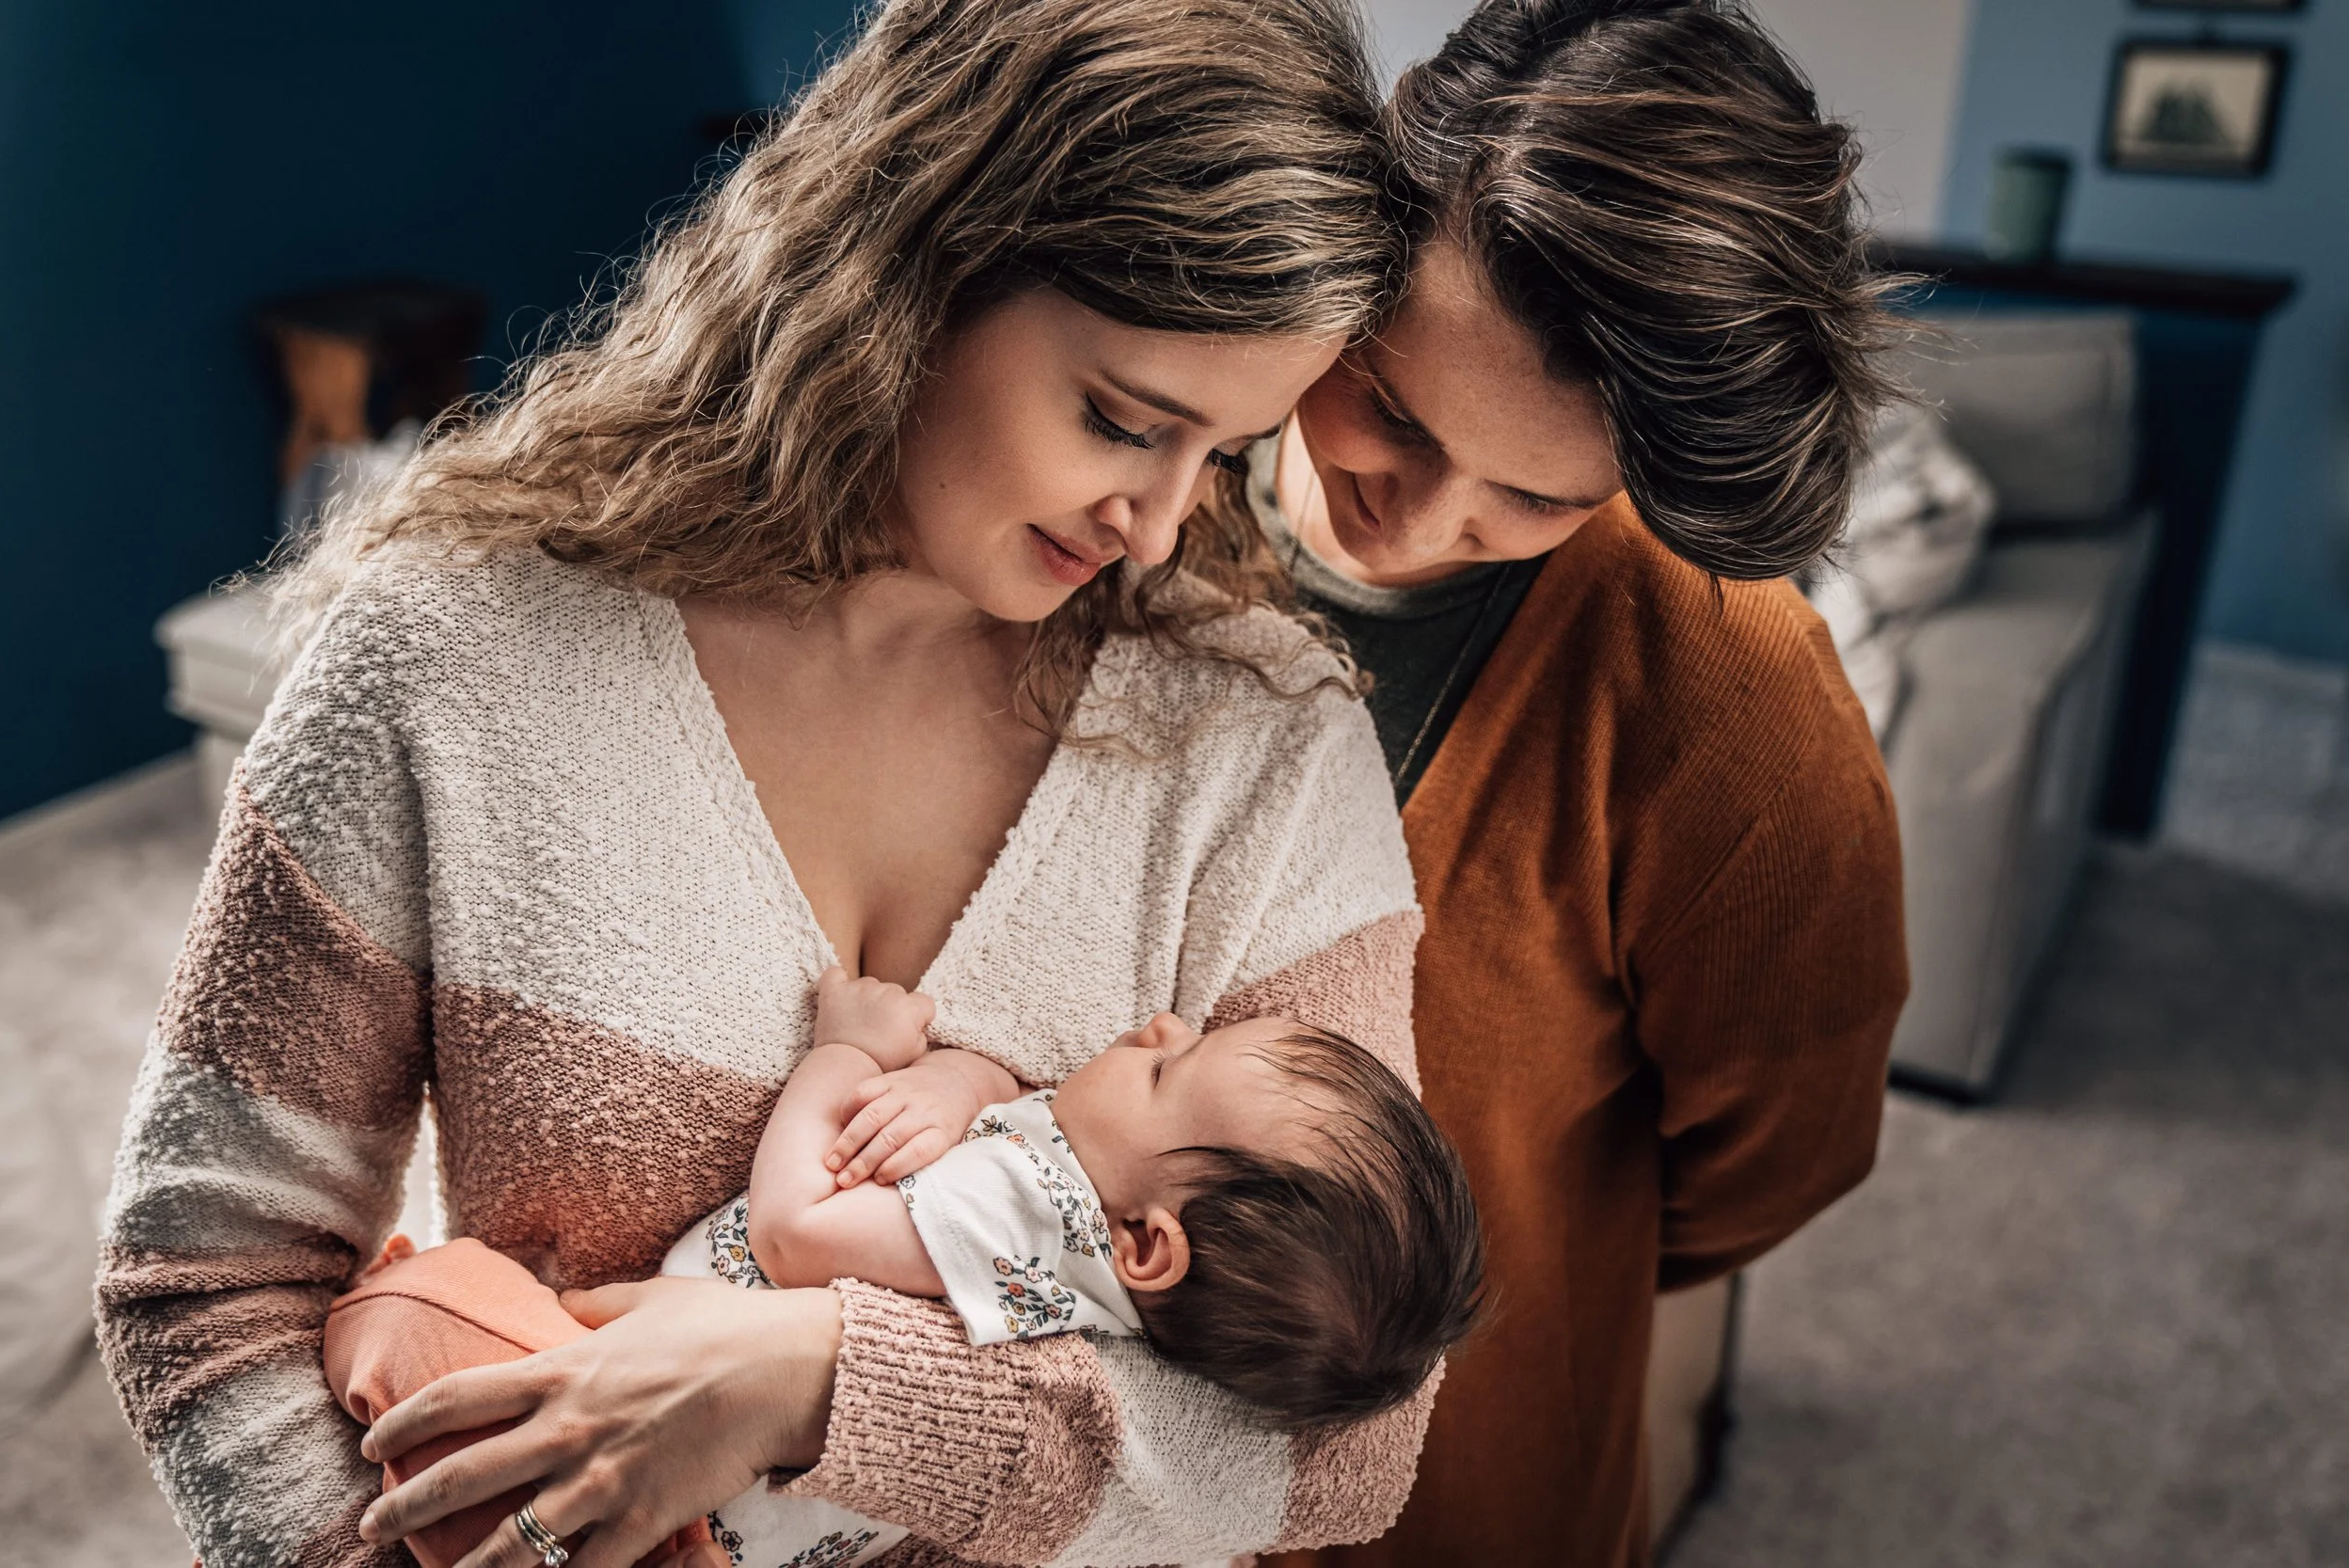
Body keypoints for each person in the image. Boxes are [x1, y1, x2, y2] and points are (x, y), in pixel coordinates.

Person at [93, 2, 1441, 1564]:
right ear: (913, 261)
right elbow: (206, 1284)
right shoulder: (452, 651)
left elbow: (1352, 1451)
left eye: (1221, 455)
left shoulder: (1267, 742)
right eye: (1126, 421)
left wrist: (809, 1381)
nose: (1155, 525)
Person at [1259, 3, 1910, 1564]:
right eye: (1393, 409)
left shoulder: (1733, 696)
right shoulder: (1143, 467)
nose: (1414, 524)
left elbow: (1776, 1149)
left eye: (1537, 493)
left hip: (1456, 1482)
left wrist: (1538, 1245)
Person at [323, 974, 1484, 1567]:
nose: (1162, 1025)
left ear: (1142, 1242)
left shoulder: (1027, 1212)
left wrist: (843, 1051)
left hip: (655, 1483)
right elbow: (1004, 1121)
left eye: (1169, 1075)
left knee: (423, 1307)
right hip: (726, 1521)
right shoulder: (1081, 1272)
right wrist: (962, 1082)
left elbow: (796, 1232)